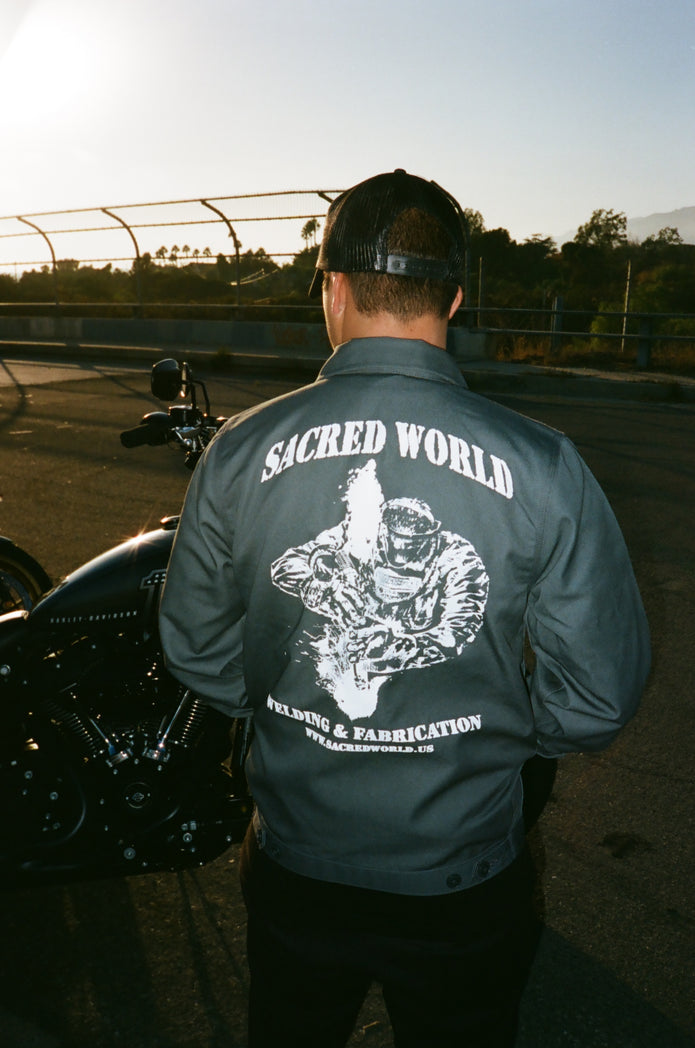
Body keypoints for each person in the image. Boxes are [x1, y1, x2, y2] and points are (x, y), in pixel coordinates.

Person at [159, 169, 650, 1047]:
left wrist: (283, 706)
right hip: (462, 875)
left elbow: (195, 647)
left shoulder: (239, 450)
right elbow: (595, 696)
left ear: (333, 286)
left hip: (297, 861)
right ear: (453, 297)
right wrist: (493, 737)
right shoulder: (541, 464)